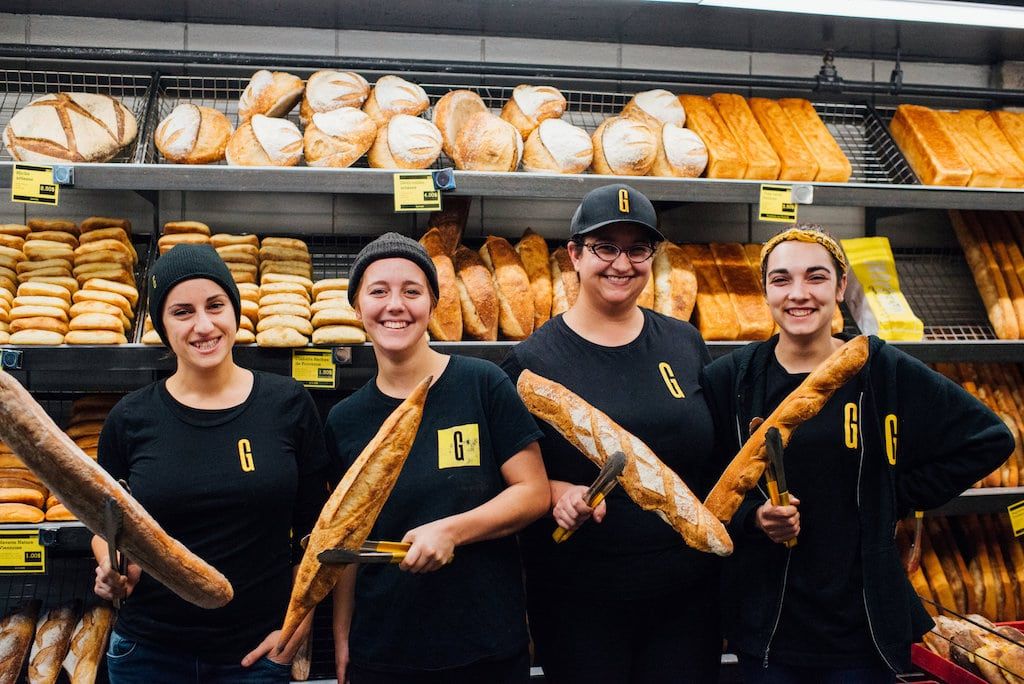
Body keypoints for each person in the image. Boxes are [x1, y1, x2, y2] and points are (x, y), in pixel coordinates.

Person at [701, 225, 1014, 683]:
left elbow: (989, 438)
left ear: (841, 287)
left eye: (816, 277)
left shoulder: (879, 368)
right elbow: (710, 484)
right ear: (765, 289)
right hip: (768, 624)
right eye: (782, 280)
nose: (799, 294)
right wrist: (755, 517)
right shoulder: (732, 379)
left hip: (859, 624)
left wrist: (893, 494)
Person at [500, 184, 722, 684]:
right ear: (574, 256)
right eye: (605, 247)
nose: (622, 263)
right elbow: (509, 475)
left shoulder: (684, 342)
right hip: (580, 600)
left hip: (685, 595)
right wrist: (557, 491)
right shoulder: (533, 362)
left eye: (638, 249)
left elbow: (711, 458)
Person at [92, 244, 332, 683]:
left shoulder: (289, 404)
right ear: (162, 326)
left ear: (234, 310)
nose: (204, 325)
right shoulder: (130, 418)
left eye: (215, 305)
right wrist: (112, 567)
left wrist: (298, 624)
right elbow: (106, 524)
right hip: (150, 654)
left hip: (257, 653)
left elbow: (315, 533)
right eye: (182, 312)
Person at [325, 233, 549, 684]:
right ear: (356, 309)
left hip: (484, 646)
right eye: (378, 291)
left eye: (411, 291)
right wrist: (342, 633)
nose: (395, 305)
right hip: (385, 650)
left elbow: (533, 492)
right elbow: (346, 540)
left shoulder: (482, 384)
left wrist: (452, 531)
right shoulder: (344, 420)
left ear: (431, 303)